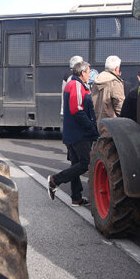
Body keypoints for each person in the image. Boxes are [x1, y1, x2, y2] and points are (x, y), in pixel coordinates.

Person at [48, 61, 98, 206]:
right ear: (82, 73)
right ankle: (55, 180)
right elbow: (77, 109)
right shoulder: (76, 84)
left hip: (74, 132)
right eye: (89, 72)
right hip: (79, 133)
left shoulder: (77, 84)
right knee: (85, 163)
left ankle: (76, 197)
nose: (90, 74)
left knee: (76, 164)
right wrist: (91, 128)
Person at [91, 55, 125, 124]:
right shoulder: (115, 82)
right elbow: (119, 105)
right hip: (112, 125)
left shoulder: (96, 80)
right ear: (116, 68)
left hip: (97, 123)